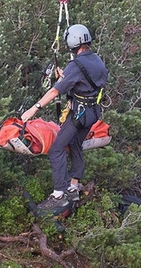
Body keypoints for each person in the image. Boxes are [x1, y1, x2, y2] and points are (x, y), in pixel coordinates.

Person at [21, 24, 108, 210]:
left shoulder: (75, 66)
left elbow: (54, 91)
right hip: (93, 113)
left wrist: (33, 109)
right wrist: (66, 77)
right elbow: (88, 84)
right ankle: (73, 186)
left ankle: (59, 193)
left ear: (72, 43)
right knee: (76, 144)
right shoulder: (97, 61)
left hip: (79, 115)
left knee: (56, 149)